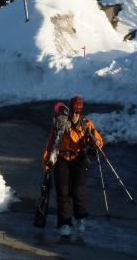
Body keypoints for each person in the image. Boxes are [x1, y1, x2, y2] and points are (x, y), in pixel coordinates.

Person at [42, 96, 103, 237]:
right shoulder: (60, 123)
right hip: (62, 159)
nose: (75, 114)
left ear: (81, 111)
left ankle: (80, 218)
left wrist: (97, 143)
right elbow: (50, 144)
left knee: (78, 191)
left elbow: (96, 138)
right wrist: (47, 162)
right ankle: (64, 223)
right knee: (62, 192)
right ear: (69, 110)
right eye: (73, 111)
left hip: (79, 159)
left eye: (78, 111)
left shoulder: (86, 124)